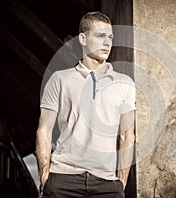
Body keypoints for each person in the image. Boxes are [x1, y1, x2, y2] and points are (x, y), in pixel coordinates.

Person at [36, 11, 136, 198]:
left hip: (107, 183)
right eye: (100, 36)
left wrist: (120, 182)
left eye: (110, 37)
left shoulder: (125, 83)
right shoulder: (59, 79)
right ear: (83, 38)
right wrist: (44, 176)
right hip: (63, 179)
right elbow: (44, 130)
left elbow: (127, 136)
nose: (107, 43)